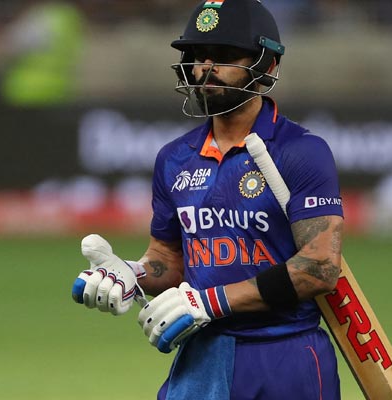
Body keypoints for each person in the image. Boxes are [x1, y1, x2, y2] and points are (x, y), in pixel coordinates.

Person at [72, 0, 344, 398]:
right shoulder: (174, 158)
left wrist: (210, 302)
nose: (206, 69)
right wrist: (133, 272)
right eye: (199, 56)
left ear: (266, 65)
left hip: (286, 354)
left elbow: (319, 268)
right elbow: (169, 261)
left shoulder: (300, 151)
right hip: (203, 356)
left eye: (225, 56)